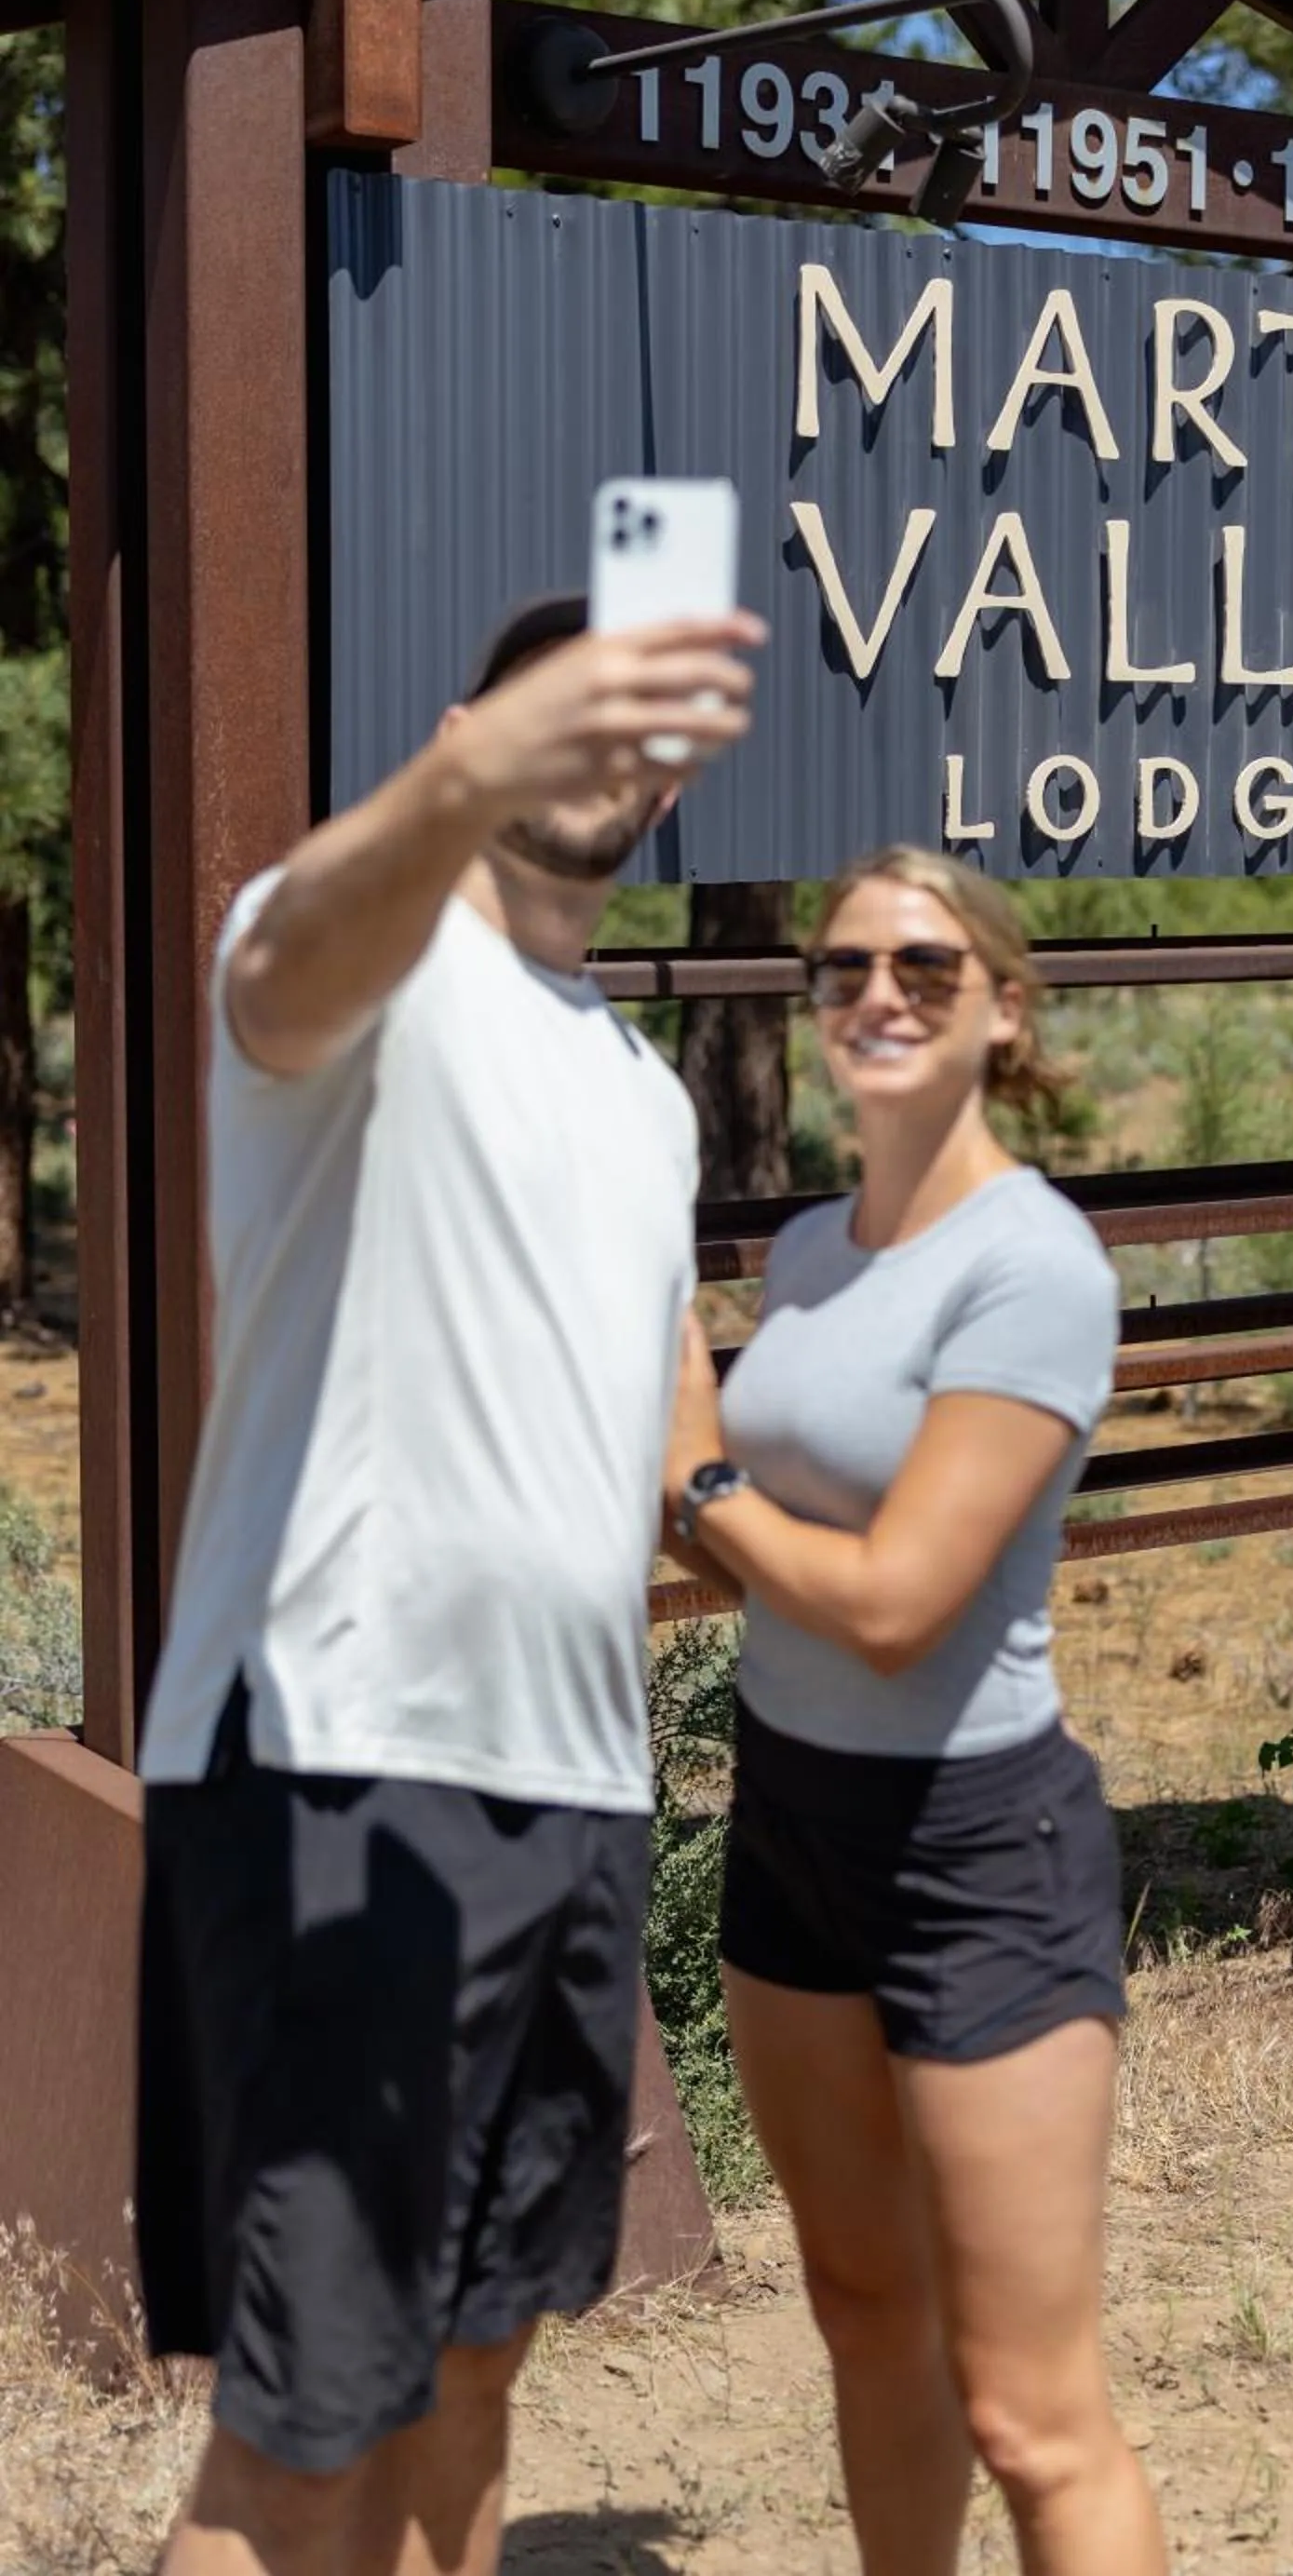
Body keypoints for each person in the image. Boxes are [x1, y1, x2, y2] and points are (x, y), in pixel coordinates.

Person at [134, 589, 762, 2576]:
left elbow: (664, 1414)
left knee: (481, 2362)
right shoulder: (344, 960)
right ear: (459, 732)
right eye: (547, 719)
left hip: (573, 1791)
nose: (600, 751)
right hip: (335, 1763)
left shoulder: (643, 1094)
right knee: (305, 2440)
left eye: (634, 725)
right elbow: (288, 962)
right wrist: (476, 769)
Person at [661, 845, 1168, 2576]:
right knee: (864, 2312)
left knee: (1034, 2412)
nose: (879, 994)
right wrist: (698, 1477)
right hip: (789, 1822)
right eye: (846, 968)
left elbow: (890, 1602)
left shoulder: (1033, 1266)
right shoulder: (810, 1254)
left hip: (976, 1849)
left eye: (928, 971)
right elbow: (766, 1561)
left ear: (1004, 1011)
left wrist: (696, 1472)